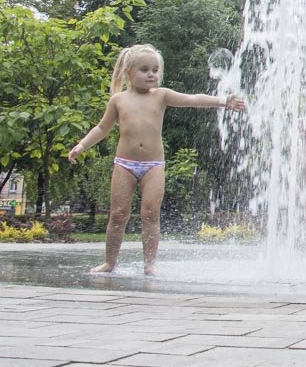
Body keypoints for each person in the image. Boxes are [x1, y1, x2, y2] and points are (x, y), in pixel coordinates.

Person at [68, 44, 246, 275]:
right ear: (128, 72)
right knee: (118, 214)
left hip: (154, 166)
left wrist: (223, 101)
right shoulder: (118, 100)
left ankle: (150, 264)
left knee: (150, 213)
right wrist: (81, 145)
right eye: (144, 70)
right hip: (124, 164)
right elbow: (102, 128)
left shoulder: (162, 96)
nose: (151, 74)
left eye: (155, 70)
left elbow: (192, 99)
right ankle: (109, 262)